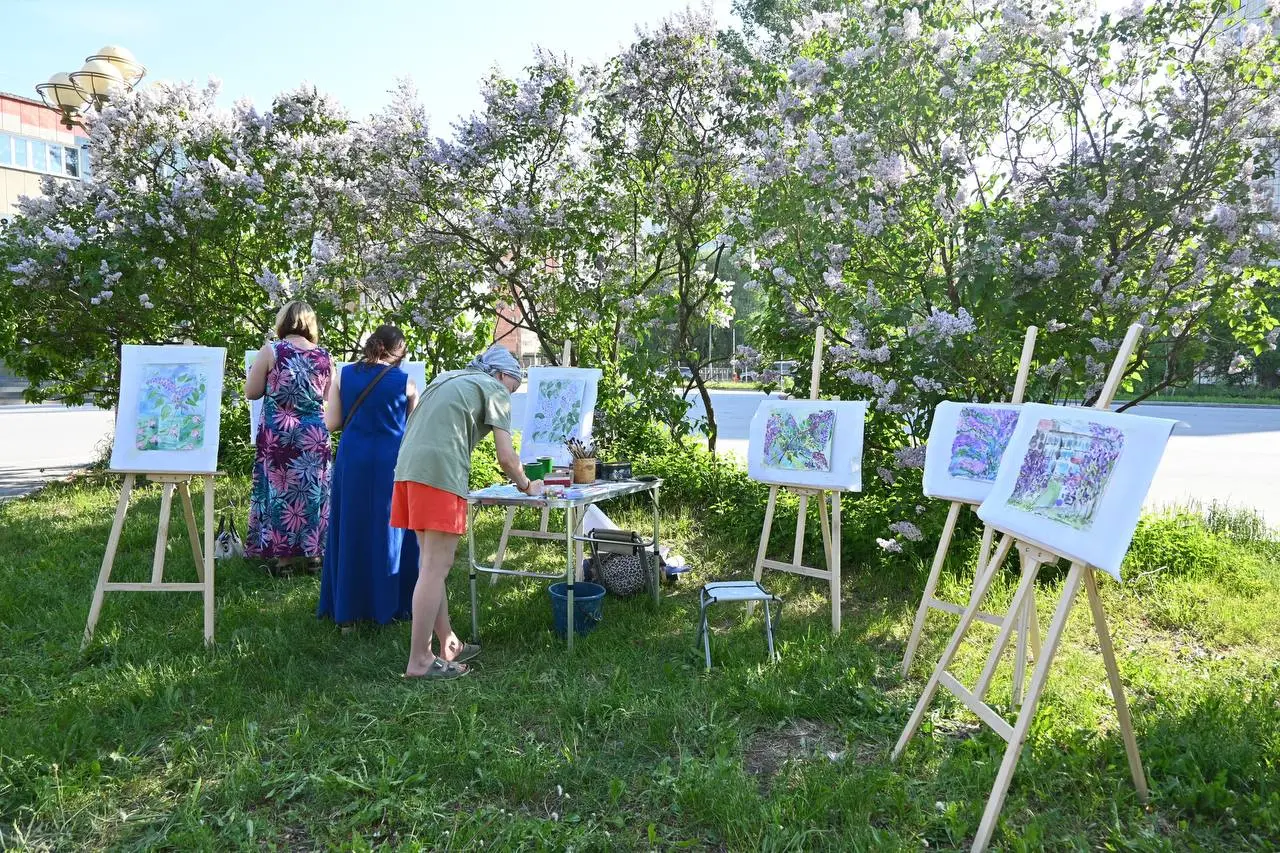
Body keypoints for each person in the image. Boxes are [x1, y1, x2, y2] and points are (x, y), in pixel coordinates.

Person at [393, 343, 543, 679]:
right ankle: (419, 660)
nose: (511, 395)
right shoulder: (494, 390)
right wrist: (527, 485)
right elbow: (507, 458)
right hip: (440, 472)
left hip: (407, 469)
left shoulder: (450, 377)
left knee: (430, 564)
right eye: (514, 387)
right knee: (435, 567)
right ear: (502, 375)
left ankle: (448, 643)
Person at [318, 325, 420, 626]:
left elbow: (333, 422)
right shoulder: (406, 383)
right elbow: (413, 430)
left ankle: (348, 609)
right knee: (391, 530)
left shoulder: (345, 374)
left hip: (354, 459)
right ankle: (393, 605)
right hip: (391, 461)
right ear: (399, 352)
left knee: (351, 528)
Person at [245, 300, 334, 571]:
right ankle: (314, 556)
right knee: (313, 491)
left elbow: (252, 392)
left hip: (279, 435)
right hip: (314, 434)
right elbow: (330, 397)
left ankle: (283, 561)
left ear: (283, 322)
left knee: (280, 493)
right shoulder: (324, 356)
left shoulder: (271, 351)